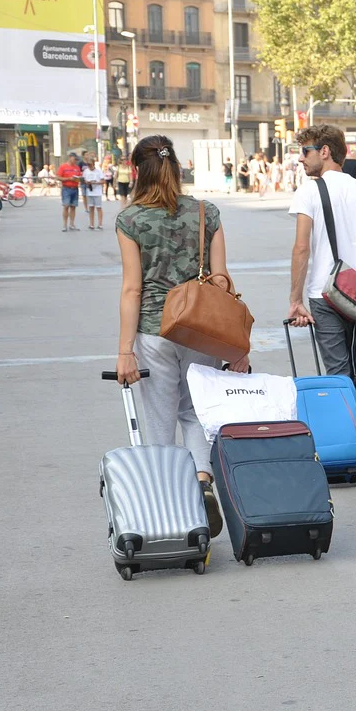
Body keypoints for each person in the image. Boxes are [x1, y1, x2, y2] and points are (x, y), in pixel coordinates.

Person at [114, 135, 248, 538]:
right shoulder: (206, 212)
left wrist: (125, 351)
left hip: (155, 330)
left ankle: (169, 503)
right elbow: (222, 280)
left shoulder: (131, 219)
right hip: (200, 327)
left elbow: (132, 289)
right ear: (177, 167)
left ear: (137, 170)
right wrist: (237, 344)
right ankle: (202, 482)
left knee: (159, 419)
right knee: (195, 413)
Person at [287, 124, 356, 376]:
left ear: (324, 151)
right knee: (351, 368)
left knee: (338, 371)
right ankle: (350, 414)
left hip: (325, 294)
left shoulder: (309, 191)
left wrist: (295, 300)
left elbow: (301, 248)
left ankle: (346, 415)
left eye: (305, 151)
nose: (300, 158)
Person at [58, 154, 83, 232]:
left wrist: (79, 179)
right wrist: (68, 178)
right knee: (66, 206)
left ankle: (72, 224)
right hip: (66, 188)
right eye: (74, 159)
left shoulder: (77, 167)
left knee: (73, 206)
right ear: (70, 158)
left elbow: (80, 176)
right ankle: (65, 225)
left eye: (76, 159)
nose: (75, 161)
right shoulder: (63, 167)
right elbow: (58, 177)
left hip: (75, 188)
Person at [83, 157, 106, 230]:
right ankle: (91, 224)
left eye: (90, 165)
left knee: (98, 207)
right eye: (88, 165)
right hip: (89, 191)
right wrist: (87, 182)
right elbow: (83, 180)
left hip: (97, 192)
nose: (89, 166)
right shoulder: (86, 171)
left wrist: (96, 182)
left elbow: (103, 181)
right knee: (91, 208)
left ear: (93, 164)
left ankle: (100, 224)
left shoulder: (98, 171)